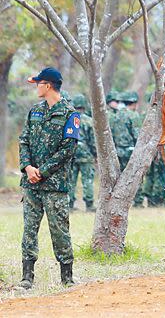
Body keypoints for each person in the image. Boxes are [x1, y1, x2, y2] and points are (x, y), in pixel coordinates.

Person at [19, 68, 80, 289]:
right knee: (29, 229)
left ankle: (67, 276)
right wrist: (27, 167)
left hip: (55, 185)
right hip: (31, 183)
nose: (36, 87)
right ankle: (27, 276)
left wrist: (41, 171)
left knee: (59, 230)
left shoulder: (70, 114)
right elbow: (23, 140)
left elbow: (67, 150)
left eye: (38, 83)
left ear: (48, 86)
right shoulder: (35, 111)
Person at [68, 94, 97, 212]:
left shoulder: (69, 120)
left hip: (71, 154)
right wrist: (95, 154)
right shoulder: (89, 121)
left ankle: (69, 204)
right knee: (88, 180)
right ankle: (89, 205)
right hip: (86, 155)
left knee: (71, 179)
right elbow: (93, 140)